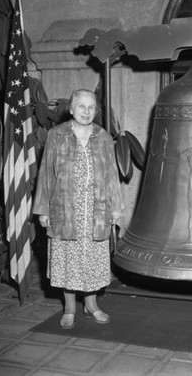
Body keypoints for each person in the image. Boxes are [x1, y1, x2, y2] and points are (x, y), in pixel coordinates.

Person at [33, 89, 124, 329]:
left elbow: (112, 174)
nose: (86, 111)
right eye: (81, 106)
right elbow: (46, 174)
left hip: (97, 209)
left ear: (96, 110)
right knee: (68, 260)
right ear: (71, 109)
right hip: (65, 209)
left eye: (91, 107)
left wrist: (116, 207)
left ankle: (92, 305)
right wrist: (43, 210)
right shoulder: (57, 134)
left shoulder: (103, 136)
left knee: (93, 260)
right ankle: (70, 308)